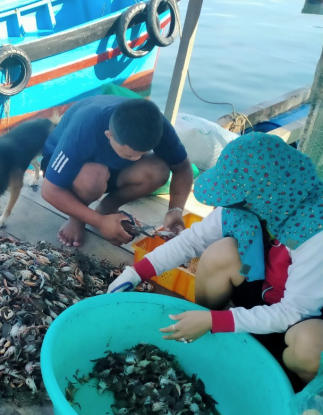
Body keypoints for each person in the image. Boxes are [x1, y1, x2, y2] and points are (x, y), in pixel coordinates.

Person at [108, 133, 323, 383]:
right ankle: (206, 326)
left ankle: (291, 384)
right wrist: (136, 273)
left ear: (264, 198)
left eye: (236, 199)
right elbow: (192, 240)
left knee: (308, 348)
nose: (227, 204)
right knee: (220, 253)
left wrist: (215, 321)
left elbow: (293, 312)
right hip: (266, 290)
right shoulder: (250, 203)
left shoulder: (313, 232)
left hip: (305, 317)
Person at [40, 95, 193, 247]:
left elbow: (183, 167)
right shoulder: (84, 128)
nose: (136, 159)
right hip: (65, 167)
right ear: (109, 135)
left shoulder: (158, 124)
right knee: (94, 175)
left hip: (112, 168)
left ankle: (107, 209)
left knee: (158, 171)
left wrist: (175, 210)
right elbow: (49, 190)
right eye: (130, 155)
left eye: (141, 154)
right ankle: (77, 218)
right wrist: (98, 222)